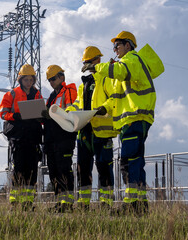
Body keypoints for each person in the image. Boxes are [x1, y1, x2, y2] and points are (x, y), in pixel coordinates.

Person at [82, 31, 162, 213]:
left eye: (117, 45)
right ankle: (139, 204)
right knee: (134, 160)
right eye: (114, 46)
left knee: (130, 160)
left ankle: (132, 204)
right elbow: (116, 97)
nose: (115, 49)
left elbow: (120, 71)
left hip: (135, 117)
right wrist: (105, 107)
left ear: (128, 45)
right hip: (131, 119)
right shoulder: (128, 63)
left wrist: (98, 67)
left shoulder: (132, 60)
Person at [66, 46, 118, 210]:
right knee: (83, 167)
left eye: (89, 62)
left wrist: (104, 108)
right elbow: (77, 104)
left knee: (104, 166)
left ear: (97, 61)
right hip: (85, 131)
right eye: (86, 63)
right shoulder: (84, 84)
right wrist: (69, 111)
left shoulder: (107, 79)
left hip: (102, 131)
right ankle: (83, 202)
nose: (88, 66)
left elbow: (114, 99)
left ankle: (106, 202)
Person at [0, 64, 43, 211]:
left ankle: (28, 202)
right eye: (26, 80)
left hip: (32, 138)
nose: (29, 83)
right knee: (18, 169)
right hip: (18, 137)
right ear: (20, 80)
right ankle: (14, 201)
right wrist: (15, 116)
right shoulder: (11, 94)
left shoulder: (37, 94)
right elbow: (3, 114)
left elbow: (42, 115)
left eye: (31, 80)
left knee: (31, 170)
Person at [42, 65, 77, 213]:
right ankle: (59, 201)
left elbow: (71, 112)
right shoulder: (51, 96)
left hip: (64, 137)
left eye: (54, 78)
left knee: (64, 169)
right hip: (51, 138)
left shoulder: (69, 91)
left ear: (62, 77)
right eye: (49, 80)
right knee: (54, 171)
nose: (51, 82)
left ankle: (67, 203)